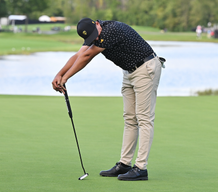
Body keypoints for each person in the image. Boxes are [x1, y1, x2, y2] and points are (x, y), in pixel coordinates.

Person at [52, 18, 165, 181]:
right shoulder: (94, 33)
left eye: (95, 36)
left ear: (97, 24)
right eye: (91, 39)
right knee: (130, 118)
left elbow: (87, 56)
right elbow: (79, 54)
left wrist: (66, 78)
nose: (95, 40)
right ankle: (125, 164)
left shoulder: (111, 30)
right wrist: (59, 74)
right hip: (129, 72)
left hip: (145, 69)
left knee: (144, 118)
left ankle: (141, 168)